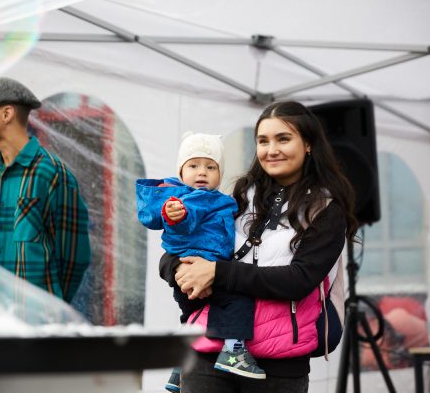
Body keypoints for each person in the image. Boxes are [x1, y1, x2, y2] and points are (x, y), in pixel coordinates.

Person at [159, 101, 358, 393]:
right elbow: (189, 246)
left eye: (283, 139)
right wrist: (176, 267)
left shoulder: (327, 209)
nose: (271, 149)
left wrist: (217, 272)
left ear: (308, 144)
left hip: (278, 363)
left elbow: (298, 280)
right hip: (207, 353)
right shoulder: (239, 196)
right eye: (263, 141)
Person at [136, 132, 265, 393]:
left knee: (195, 320)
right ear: (181, 172)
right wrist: (176, 215)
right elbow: (186, 215)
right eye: (193, 166)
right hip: (200, 267)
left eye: (210, 166)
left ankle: (178, 369)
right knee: (237, 300)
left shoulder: (217, 198)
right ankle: (234, 352)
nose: (202, 172)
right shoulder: (195, 198)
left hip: (193, 271)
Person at [0, 77, 91, 303]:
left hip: (34, 321)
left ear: (7, 114)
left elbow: (75, 257)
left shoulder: (51, 172)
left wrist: (49, 304)